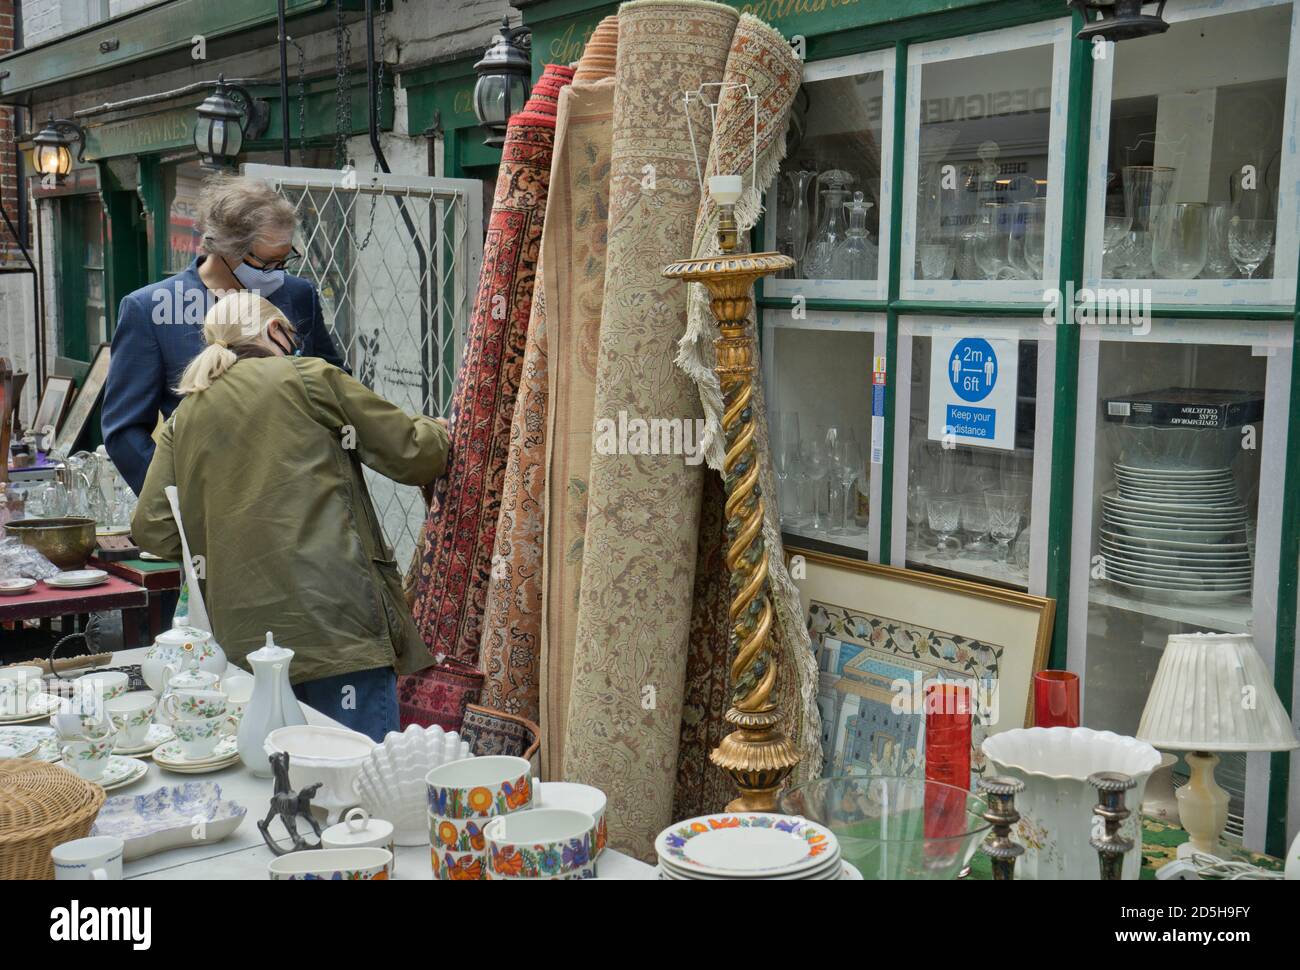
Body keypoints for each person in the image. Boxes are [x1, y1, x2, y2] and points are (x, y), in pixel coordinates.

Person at [131, 292, 448, 741]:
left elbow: (153, 528)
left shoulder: (185, 416)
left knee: (276, 787)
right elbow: (414, 455)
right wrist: (438, 428)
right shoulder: (312, 377)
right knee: (357, 780)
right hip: (339, 627)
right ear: (275, 331)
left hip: (243, 646)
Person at [103, 174, 344, 494]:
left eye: (286, 260)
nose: (280, 273)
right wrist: (178, 498)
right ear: (224, 250)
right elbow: (124, 432)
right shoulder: (150, 310)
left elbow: (336, 382)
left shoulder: (298, 295)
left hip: (301, 494)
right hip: (210, 497)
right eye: (269, 262)